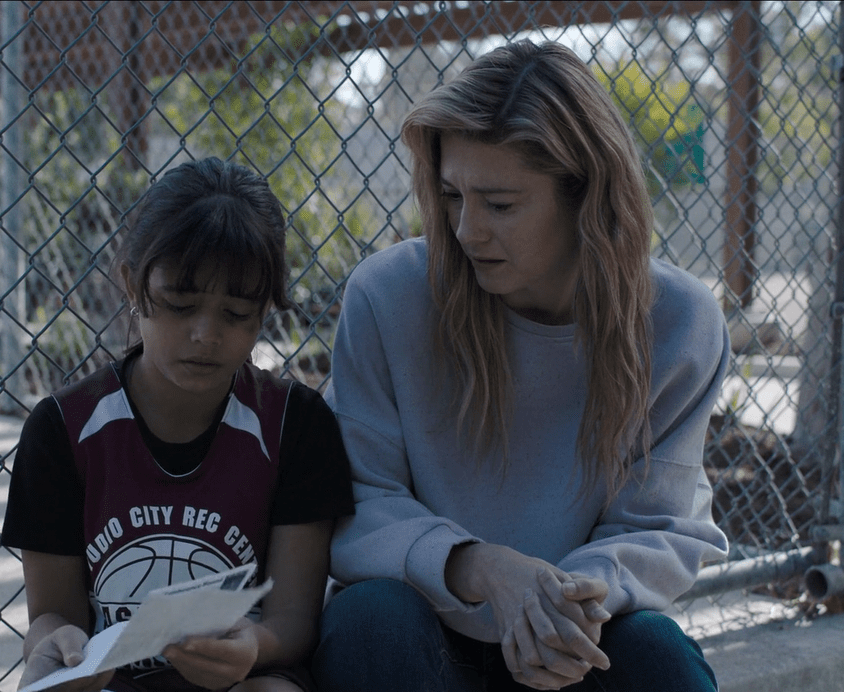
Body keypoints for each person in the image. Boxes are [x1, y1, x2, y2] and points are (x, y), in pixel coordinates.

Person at [312, 41, 730, 692]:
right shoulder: (389, 296)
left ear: (584, 195)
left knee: (659, 655)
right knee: (370, 622)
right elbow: (356, 501)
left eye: (500, 204)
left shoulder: (678, 322)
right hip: (420, 627)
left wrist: (553, 607)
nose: (466, 231)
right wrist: (483, 567)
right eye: (452, 195)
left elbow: (657, 525)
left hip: (577, 631)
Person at [1, 157, 355, 692]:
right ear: (131, 284)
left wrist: (254, 646)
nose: (205, 334)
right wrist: (55, 646)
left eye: (236, 314)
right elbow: (52, 617)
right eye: (179, 304)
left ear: (265, 309)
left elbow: (293, 619)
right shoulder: (61, 429)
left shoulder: (296, 425)